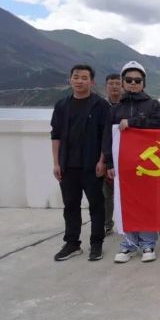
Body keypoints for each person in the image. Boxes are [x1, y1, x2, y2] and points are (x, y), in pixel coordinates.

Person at [103, 61, 160, 263]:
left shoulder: (154, 105)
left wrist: (133, 122)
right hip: (124, 165)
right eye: (129, 80)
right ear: (122, 82)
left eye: (137, 80)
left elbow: (159, 125)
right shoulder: (115, 109)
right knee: (126, 203)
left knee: (147, 203)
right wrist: (109, 163)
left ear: (143, 83)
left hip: (147, 166)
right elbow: (108, 137)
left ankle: (148, 243)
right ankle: (129, 243)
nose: (133, 83)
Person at [50, 65, 110, 262]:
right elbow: (56, 135)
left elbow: (105, 136)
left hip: (92, 165)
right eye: (76, 77)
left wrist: (102, 160)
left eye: (84, 78)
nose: (79, 81)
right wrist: (56, 163)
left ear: (91, 82)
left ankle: (96, 243)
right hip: (67, 165)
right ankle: (72, 243)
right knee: (70, 206)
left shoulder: (101, 105)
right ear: (70, 79)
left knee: (96, 205)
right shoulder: (61, 105)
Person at [102, 73, 122, 236]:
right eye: (111, 83)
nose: (114, 86)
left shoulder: (127, 105)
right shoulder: (100, 106)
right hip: (104, 155)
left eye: (117, 83)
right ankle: (106, 224)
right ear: (106, 86)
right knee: (106, 194)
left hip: (123, 155)